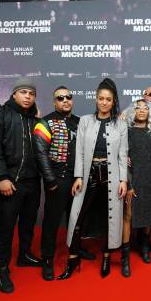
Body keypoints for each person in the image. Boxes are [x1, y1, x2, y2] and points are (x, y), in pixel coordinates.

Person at [58, 78, 128, 279]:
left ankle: (106, 257)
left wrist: (123, 180)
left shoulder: (120, 125)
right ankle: (72, 259)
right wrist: (78, 176)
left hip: (111, 177)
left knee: (110, 218)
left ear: (113, 101)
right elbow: (79, 151)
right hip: (88, 176)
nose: (104, 102)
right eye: (101, 98)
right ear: (96, 99)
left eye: (108, 99)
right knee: (77, 217)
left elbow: (122, 155)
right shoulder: (85, 121)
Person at [0, 78, 49, 293]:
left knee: (28, 223)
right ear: (14, 95)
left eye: (31, 93)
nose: (28, 96)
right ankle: (1, 266)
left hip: (32, 182)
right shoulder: (1, 115)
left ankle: (25, 255)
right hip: (10, 183)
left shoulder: (35, 120)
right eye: (23, 92)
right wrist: (1, 177)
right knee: (6, 227)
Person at [32, 86, 96, 281]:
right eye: (61, 98)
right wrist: (51, 181)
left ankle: (76, 250)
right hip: (58, 180)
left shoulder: (80, 122)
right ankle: (48, 260)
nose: (65, 101)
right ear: (54, 102)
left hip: (78, 179)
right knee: (52, 222)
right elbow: (40, 154)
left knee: (76, 219)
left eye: (69, 97)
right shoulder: (45, 123)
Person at [122, 99, 151, 275]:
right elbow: (121, 158)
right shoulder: (126, 131)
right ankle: (125, 256)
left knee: (148, 213)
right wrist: (129, 183)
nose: (142, 110)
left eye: (146, 108)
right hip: (133, 178)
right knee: (128, 215)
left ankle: (144, 247)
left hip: (150, 179)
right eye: (138, 108)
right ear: (133, 111)